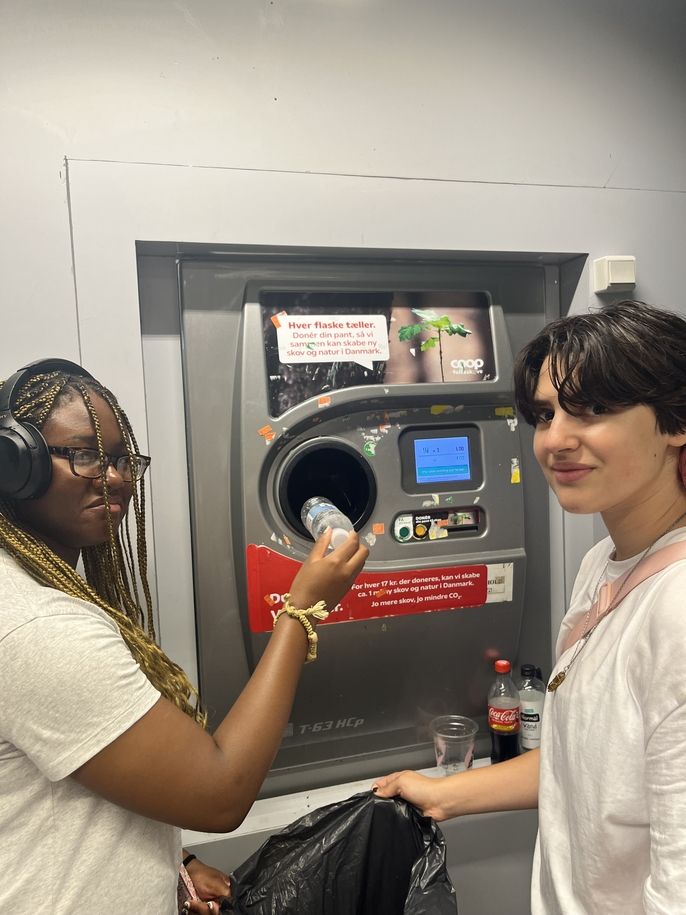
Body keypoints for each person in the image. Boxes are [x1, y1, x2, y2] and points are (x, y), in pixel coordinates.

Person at [0, 358, 368, 915]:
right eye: (83, 454)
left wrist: (173, 860)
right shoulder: (39, 629)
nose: (115, 477)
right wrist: (301, 612)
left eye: (123, 459)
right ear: (13, 463)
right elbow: (220, 794)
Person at [374, 300, 686, 913]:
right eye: (545, 415)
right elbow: (588, 763)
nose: (557, 441)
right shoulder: (603, 564)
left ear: (677, 420)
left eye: (594, 409)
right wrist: (446, 794)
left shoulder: (676, 611)